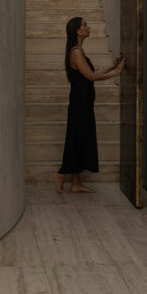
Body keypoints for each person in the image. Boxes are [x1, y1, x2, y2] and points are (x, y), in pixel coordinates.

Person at [54, 15, 124, 195]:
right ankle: (61, 174)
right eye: (85, 25)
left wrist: (112, 65)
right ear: (78, 30)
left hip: (83, 103)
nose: (89, 27)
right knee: (77, 139)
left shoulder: (79, 50)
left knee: (80, 139)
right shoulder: (75, 52)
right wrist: (116, 73)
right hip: (79, 104)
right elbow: (91, 77)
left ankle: (75, 183)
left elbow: (91, 72)